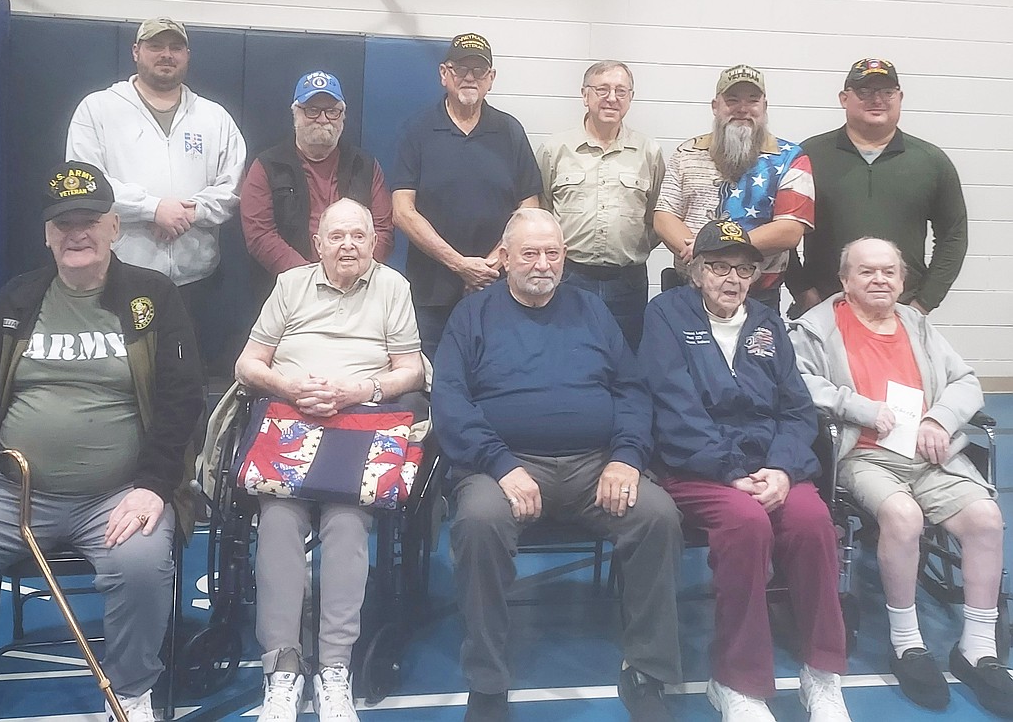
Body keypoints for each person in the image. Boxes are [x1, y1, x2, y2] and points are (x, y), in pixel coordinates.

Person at [0, 161, 204, 722]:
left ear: (114, 227)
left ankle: (129, 695)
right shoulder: (19, 300)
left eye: (89, 220)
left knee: (142, 566)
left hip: (118, 497)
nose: (77, 233)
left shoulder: (154, 298)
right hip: (14, 495)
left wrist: (153, 487)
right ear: (47, 235)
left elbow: (180, 401)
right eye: (63, 222)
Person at [433, 208, 683, 722]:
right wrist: (500, 464)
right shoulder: (472, 316)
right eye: (530, 253)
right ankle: (488, 681)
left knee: (657, 515)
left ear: (565, 257)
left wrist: (627, 458)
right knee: (479, 522)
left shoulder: (593, 312)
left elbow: (632, 390)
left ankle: (647, 671)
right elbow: (450, 403)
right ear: (504, 259)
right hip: (502, 465)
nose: (543, 263)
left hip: (595, 465)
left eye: (553, 253)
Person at [789, 237, 1013, 717]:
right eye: (867, 272)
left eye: (889, 272)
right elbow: (799, 381)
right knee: (903, 516)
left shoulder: (918, 325)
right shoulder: (816, 328)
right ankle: (907, 641)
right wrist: (862, 408)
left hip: (929, 453)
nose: (879, 280)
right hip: (863, 455)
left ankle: (978, 646)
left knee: (986, 519)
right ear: (845, 281)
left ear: (902, 280)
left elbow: (966, 381)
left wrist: (941, 420)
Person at [643, 220, 850, 722]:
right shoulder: (665, 316)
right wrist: (733, 471)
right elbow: (674, 409)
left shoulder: (766, 322)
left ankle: (821, 675)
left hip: (768, 464)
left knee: (812, 521)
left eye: (743, 269)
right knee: (746, 523)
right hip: (697, 466)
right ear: (696, 272)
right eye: (718, 267)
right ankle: (736, 681)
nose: (731, 279)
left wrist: (781, 469)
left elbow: (797, 408)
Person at [233, 198, 425, 722]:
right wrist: (290, 386)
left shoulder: (393, 287)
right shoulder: (290, 285)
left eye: (358, 237)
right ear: (317, 242)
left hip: (359, 426)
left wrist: (361, 387)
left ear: (373, 242)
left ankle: (335, 670)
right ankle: (283, 670)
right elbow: (248, 363)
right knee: (277, 519)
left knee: (346, 523)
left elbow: (412, 369)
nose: (347, 246)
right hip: (290, 421)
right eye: (336, 236)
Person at [66, 16, 246, 365]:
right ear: (136, 52)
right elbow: (87, 183)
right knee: (121, 378)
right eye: (155, 46)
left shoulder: (215, 118)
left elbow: (233, 187)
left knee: (188, 381)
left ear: (187, 55)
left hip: (197, 283)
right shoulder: (98, 109)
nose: (166, 54)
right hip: (120, 274)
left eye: (175, 47)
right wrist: (152, 208)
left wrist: (188, 212)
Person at [392, 32, 542, 360]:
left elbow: (529, 207)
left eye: (479, 71)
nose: (469, 78)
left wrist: (490, 265)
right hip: (431, 293)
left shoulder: (510, 131)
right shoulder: (417, 130)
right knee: (433, 379)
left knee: (497, 373)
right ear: (444, 74)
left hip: (499, 287)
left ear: (491, 79)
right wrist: (459, 265)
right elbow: (402, 211)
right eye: (461, 69)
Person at [786, 59, 968, 317]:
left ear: (900, 97)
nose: (877, 99)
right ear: (843, 98)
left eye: (887, 92)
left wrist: (923, 303)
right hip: (824, 312)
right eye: (865, 92)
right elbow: (782, 228)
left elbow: (953, 236)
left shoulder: (930, 161)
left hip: (900, 313)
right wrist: (803, 291)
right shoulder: (808, 156)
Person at [653, 65, 814, 311]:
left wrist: (712, 247)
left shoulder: (791, 158)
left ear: (764, 107)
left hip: (758, 297)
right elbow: (664, 215)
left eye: (752, 100)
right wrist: (698, 251)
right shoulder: (687, 153)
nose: (742, 108)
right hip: (691, 291)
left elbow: (790, 230)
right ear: (715, 106)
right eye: (732, 100)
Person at [535, 60, 665, 349]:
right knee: (565, 351)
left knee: (626, 356)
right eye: (602, 89)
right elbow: (540, 211)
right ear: (585, 96)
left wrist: (633, 247)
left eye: (621, 91)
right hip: (569, 276)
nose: (611, 98)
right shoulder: (555, 150)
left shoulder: (649, 152)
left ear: (630, 98)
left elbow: (657, 216)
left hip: (627, 282)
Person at [240, 70, 393, 308]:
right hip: (288, 293)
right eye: (312, 110)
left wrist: (353, 274)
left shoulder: (364, 165)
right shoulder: (267, 166)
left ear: (343, 117)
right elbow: (260, 235)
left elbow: (382, 229)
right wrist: (312, 280)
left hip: (358, 293)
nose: (323, 119)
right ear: (295, 114)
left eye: (332, 111)